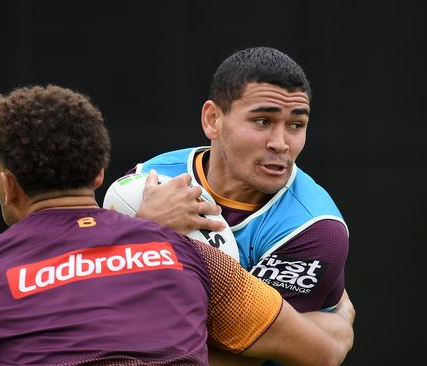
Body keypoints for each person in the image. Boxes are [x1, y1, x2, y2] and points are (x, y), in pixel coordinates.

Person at [0, 85, 354, 366]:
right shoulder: (191, 257)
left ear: (7, 185)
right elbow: (321, 351)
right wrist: (341, 322)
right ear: (101, 174)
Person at [126, 47, 351, 364]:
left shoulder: (313, 229)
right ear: (213, 119)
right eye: (262, 121)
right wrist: (144, 232)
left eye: (296, 125)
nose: (281, 143)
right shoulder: (147, 180)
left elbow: (235, 356)